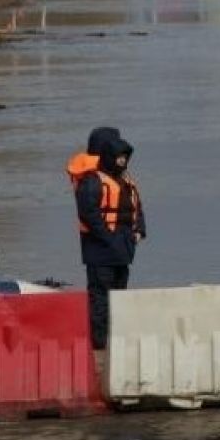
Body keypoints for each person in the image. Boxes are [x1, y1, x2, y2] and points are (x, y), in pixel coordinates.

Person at [75, 135, 146, 348]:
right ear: (109, 157)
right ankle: (99, 344)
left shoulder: (127, 181)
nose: (123, 161)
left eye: (125, 157)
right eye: (119, 157)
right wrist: (109, 237)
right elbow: (89, 214)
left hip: (122, 250)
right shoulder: (92, 182)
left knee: (119, 296)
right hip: (100, 251)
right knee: (100, 299)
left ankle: (115, 339)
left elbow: (137, 209)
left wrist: (140, 231)